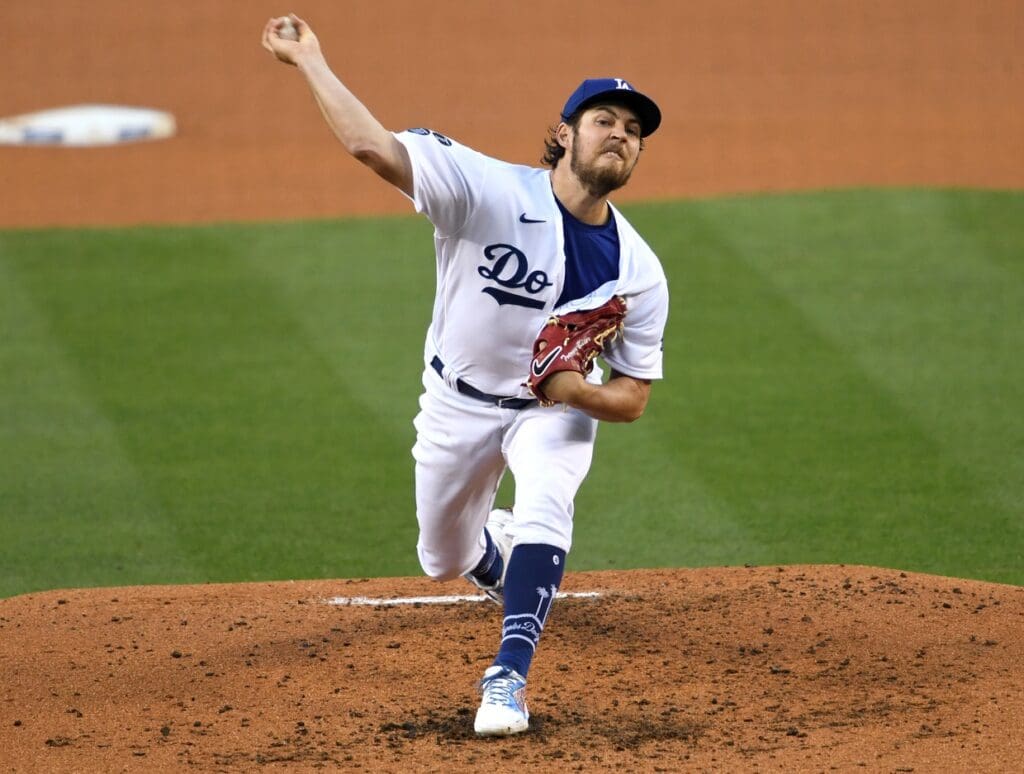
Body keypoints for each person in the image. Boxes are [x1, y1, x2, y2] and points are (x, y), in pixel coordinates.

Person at [263, 14, 669, 737]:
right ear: (566, 133)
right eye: (603, 119)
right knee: (441, 557)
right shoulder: (485, 189)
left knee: (549, 500)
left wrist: (577, 393)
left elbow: (633, 397)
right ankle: (493, 559)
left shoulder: (638, 271)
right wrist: (311, 61)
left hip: (550, 414)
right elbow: (370, 147)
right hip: (456, 401)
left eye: (633, 130)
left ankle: (507, 679)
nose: (619, 134)